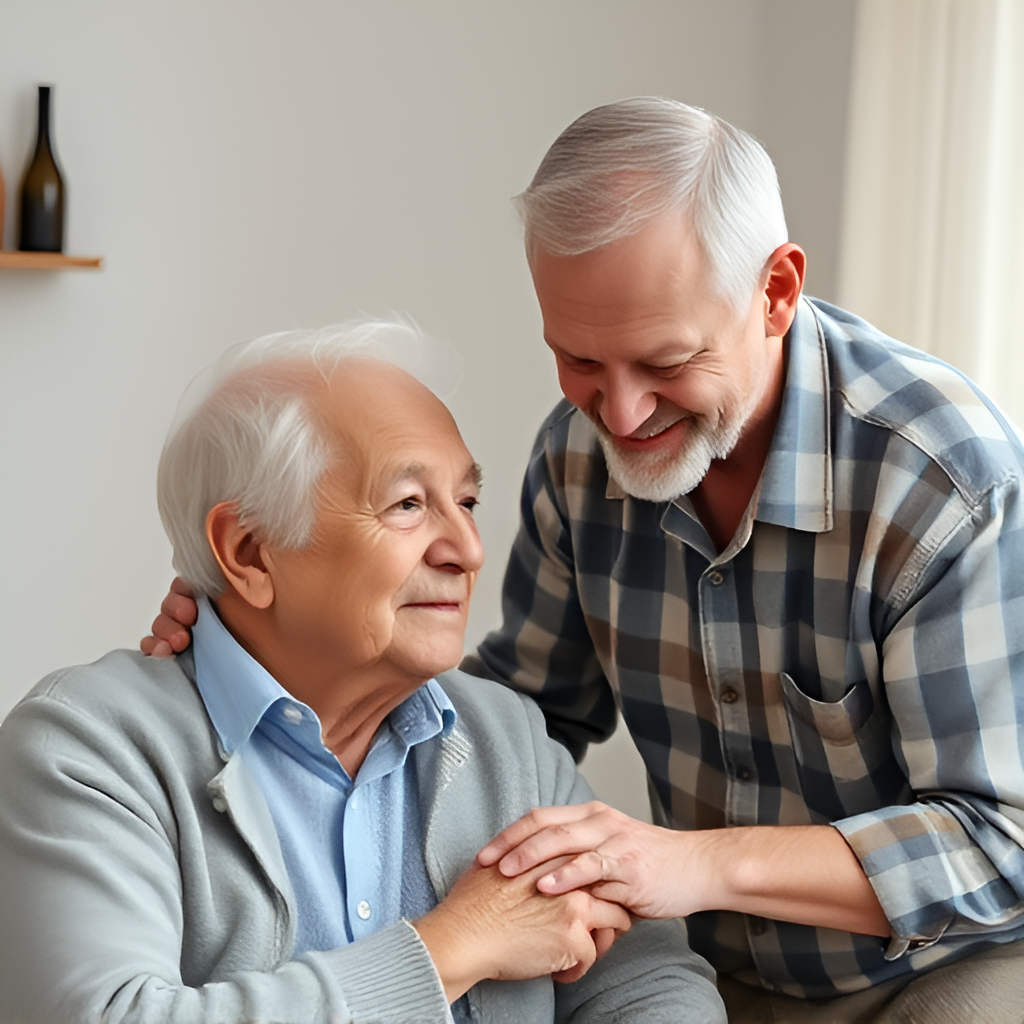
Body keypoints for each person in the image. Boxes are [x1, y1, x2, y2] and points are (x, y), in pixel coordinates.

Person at [144, 99, 1024, 1021]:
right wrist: (257, 640)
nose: (623, 415)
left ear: (776, 292)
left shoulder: (943, 485)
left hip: (941, 973)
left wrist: (692, 864)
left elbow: (1003, 841)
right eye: (578, 360)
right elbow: (521, 721)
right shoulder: (578, 455)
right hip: (702, 964)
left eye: (666, 362)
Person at [0, 322, 726, 1024]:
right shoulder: (84, 751)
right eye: (408, 504)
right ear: (251, 552)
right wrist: (455, 944)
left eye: (466, 502)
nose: (469, 549)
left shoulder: (507, 736)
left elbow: (648, 979)